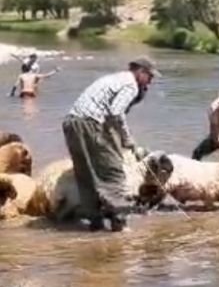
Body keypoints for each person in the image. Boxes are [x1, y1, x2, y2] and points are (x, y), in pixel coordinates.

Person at [62, 56, 159, 232]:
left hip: (71, 123)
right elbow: (116, 113)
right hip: (89, 124)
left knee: (86, 174)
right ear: (140, 72)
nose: (150, 82)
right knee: (113, 173)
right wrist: (128, 139)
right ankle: (119, 223)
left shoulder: (115, 78)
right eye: (150, 77)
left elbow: (108, 116)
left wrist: (117, 140)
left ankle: (94, 221)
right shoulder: (131, 85)